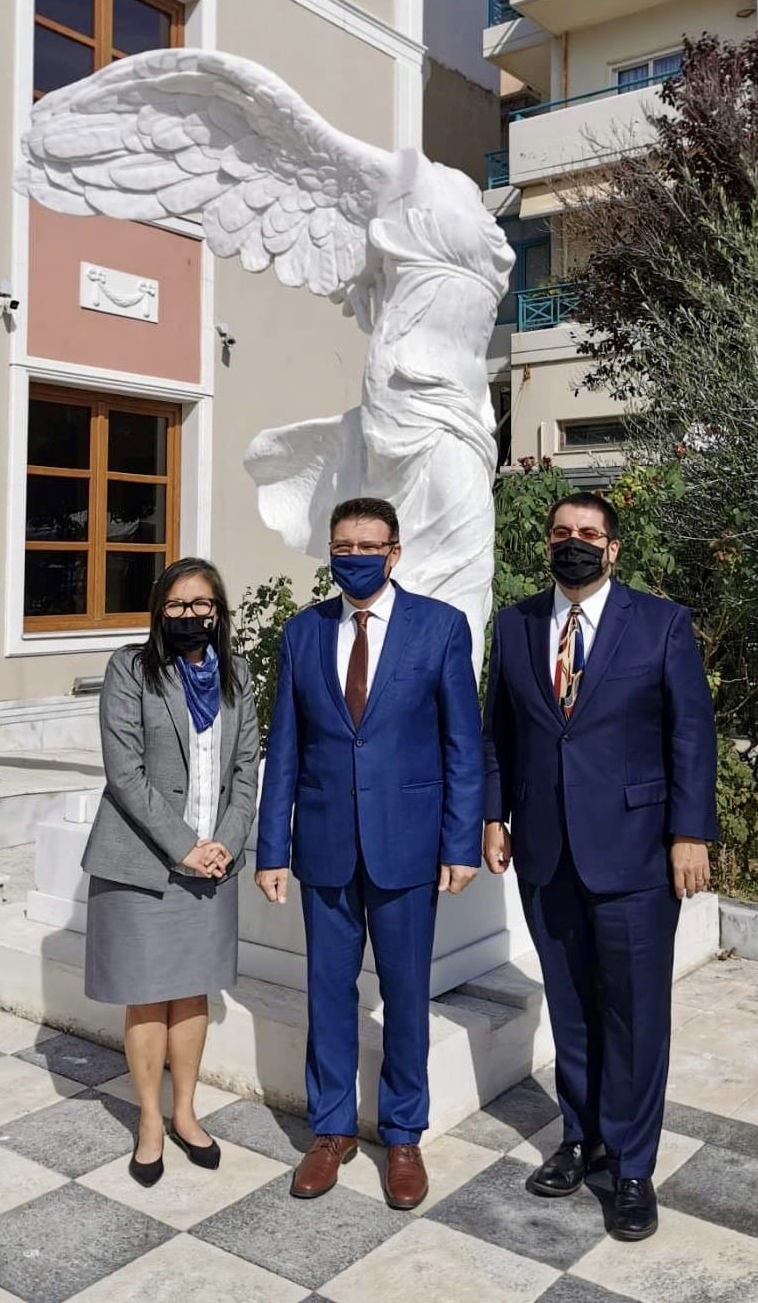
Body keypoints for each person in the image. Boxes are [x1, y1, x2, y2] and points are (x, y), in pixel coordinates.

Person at [482, 492, 717, 1242]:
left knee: (636, 1015)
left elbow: (691, 734)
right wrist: (493, 815)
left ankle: (633, 1165)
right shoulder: (515, 624)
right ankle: (581, 1138)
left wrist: (690, 832)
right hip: (546, 850)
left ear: (613, 548)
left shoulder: (661, 623)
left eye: (588, 533)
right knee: (572, 1006)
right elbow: (498, 732)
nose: (573, 542)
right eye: (561, 533)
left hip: (638, 852)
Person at [255, 497, 483, 1210]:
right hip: (324, 845)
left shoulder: (439, 627)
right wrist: (271, 849)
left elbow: (463, 745)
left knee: (406, 993)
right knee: (328, 990)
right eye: (342, 545)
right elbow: (285, 748)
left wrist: (460, 842)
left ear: (394, 552)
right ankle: (331, 1130)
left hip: (407, 845)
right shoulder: (303, 632)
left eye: (368, 545)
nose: (354, 556)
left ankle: (403, 1133)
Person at [83, 557, 259, 1187]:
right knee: (148, 996)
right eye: (177, 605)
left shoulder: (237, 674)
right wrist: (186, 847)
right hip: (145, 863)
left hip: (213, 865)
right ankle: (150, 1121)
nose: (190, 615)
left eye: (201, 604)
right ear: (159, 610)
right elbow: (124, 773)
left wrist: (225, 845)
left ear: (218, 611)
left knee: (192, 993)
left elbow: (246, 770)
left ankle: (185, 1111)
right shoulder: (130, 669)